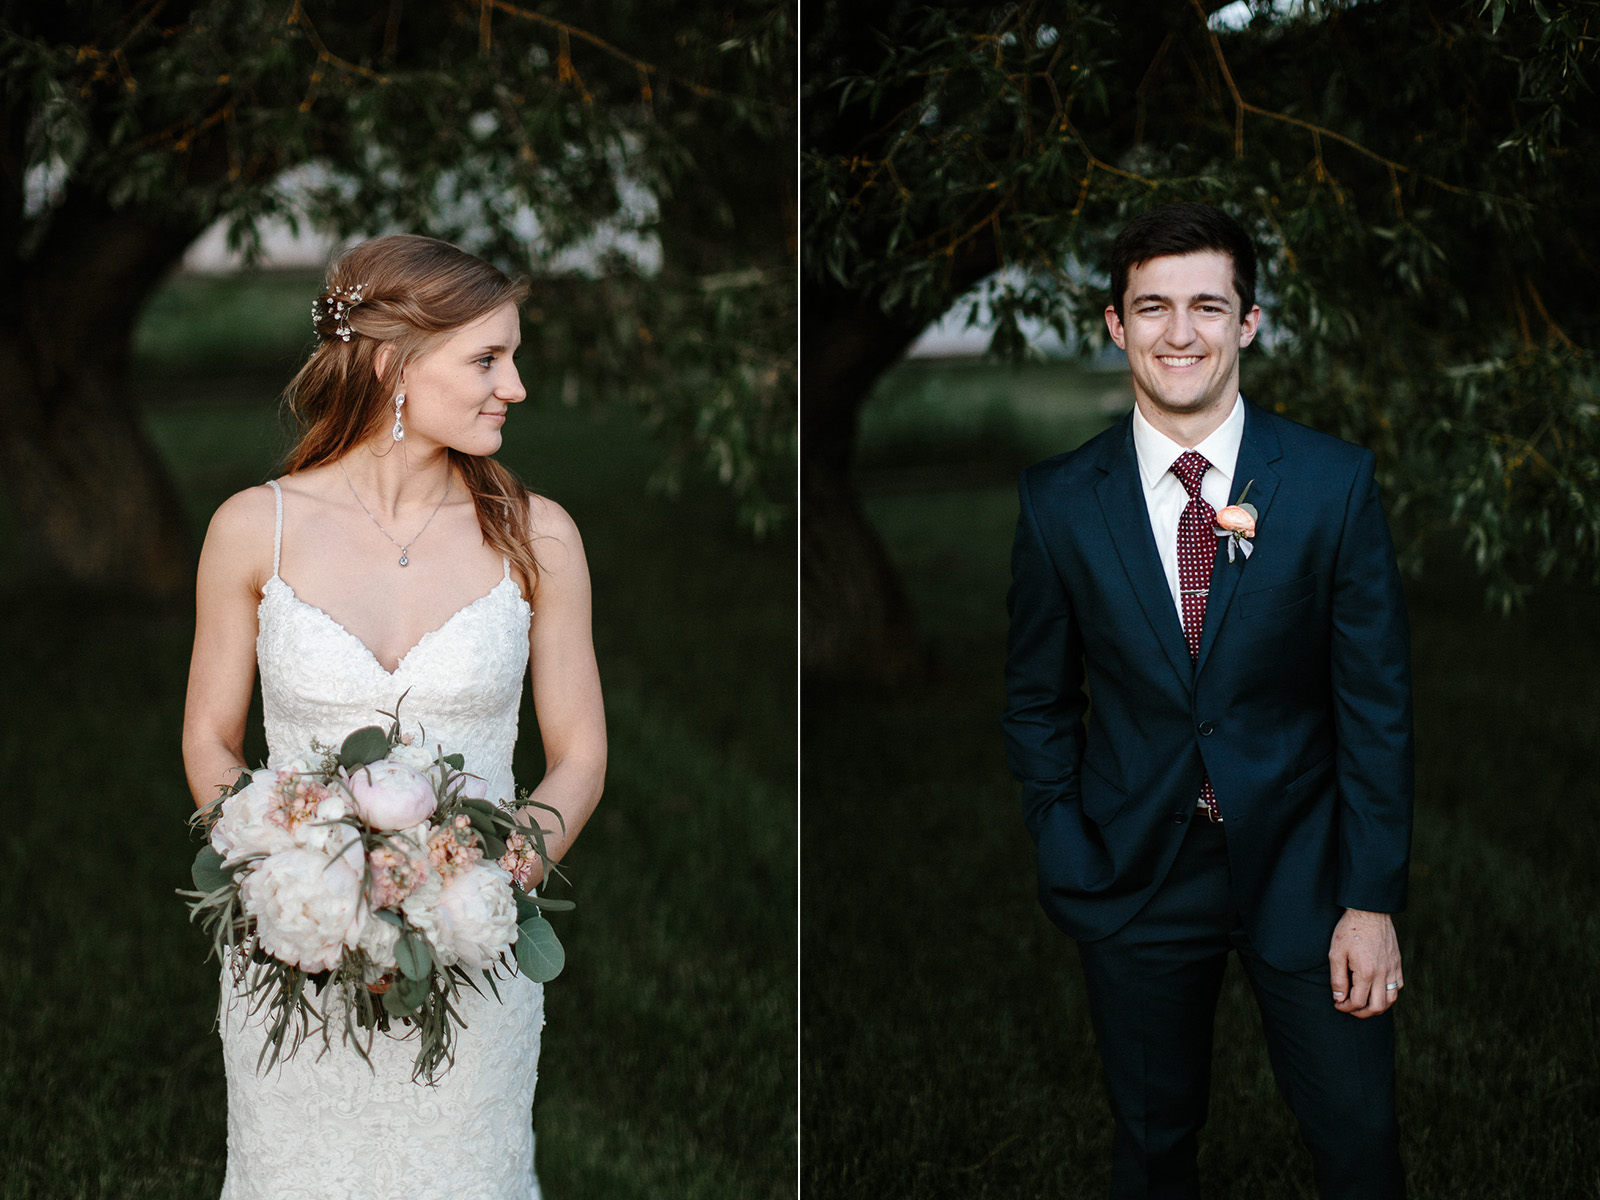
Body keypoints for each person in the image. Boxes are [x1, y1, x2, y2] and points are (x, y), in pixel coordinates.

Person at [181, 234, 607, 1199]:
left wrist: (490, 884)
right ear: (393, 365)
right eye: (489, 359)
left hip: (473, 957)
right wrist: (276, 873)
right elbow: (208, 737)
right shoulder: (255, 528)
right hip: (294, 953)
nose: (517, 386)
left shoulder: (540, 536)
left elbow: (579, 751)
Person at [1001, 202, 1412, 1198]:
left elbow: (1374, 705)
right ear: (1114, 324)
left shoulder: (1328, 483)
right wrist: (1068, 847)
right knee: (1152, 1143)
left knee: (1357, 1139)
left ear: (1248, 322)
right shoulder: (1058, 500)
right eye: (1151, 307)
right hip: (1135, 868)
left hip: (1307, 865)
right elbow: (1037, 699)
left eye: (1205, 306)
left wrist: (1370, 898)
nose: (1178, 332)